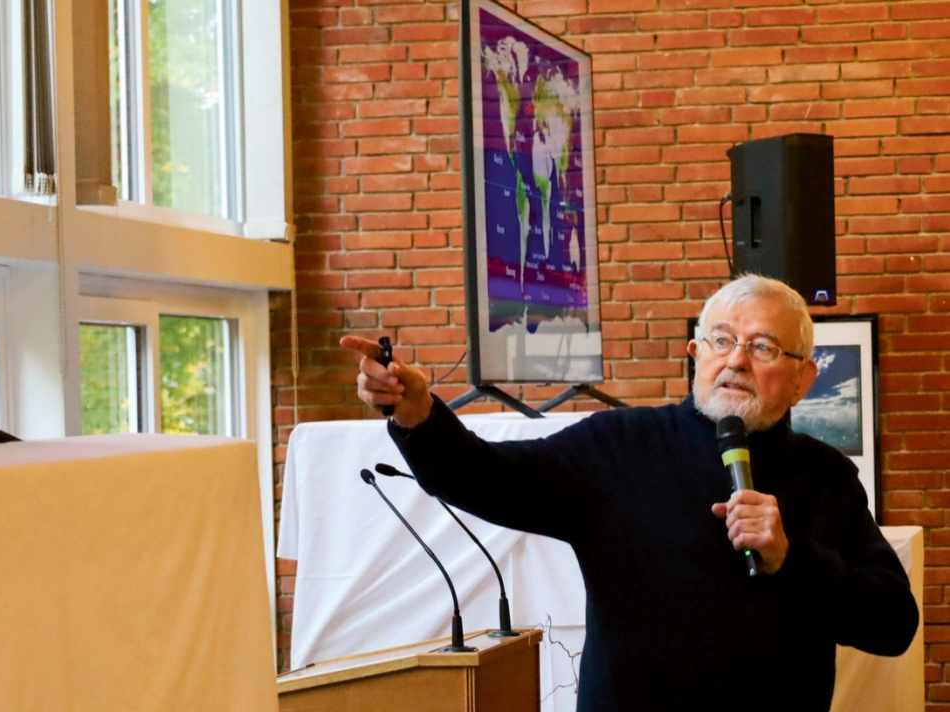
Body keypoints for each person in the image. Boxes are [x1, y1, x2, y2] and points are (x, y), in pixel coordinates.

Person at [340, 274, 918, 712]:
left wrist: (793, 559)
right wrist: (418, 414)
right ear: (695, 354)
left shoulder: (826, 477)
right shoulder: (618, 446)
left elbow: (892, 624)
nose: (737, 359)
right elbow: (484, 477)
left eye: (764, 347)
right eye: (722, 339)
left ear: (803, 378)